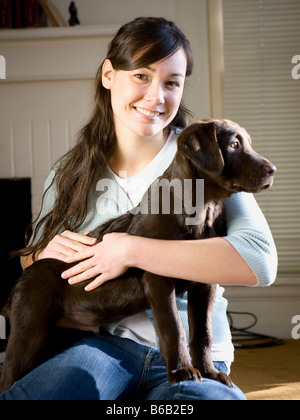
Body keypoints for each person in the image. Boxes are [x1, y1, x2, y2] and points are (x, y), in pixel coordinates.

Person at [0, 17, 277, 401]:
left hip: (194, 358)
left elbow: (260, 262)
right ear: (109, 75)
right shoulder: (70, 173)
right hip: (101, 349)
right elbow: (34, 262)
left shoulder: (209, 159)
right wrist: (40, 255)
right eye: (142, 76)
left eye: (172, 82)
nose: (156, 96)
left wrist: (130, 249)